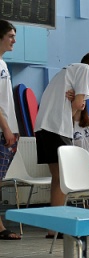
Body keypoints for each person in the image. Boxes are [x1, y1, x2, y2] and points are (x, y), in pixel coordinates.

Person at [34, 51, 89, 239]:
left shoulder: (65, 73)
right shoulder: (83, 69)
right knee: (63, 180)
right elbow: (79, 104)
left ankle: (54, 228)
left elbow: (74, 110)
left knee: (58, 179)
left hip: (43, 127)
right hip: (56, 128)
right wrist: (79, 102)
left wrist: (76, 103)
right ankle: (58, 226)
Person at [0, 20, 21, 240]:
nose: (14, 40)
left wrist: (12, 128)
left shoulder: (3, 64)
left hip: (7, 130)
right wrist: (6, 128)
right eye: (10, 35)